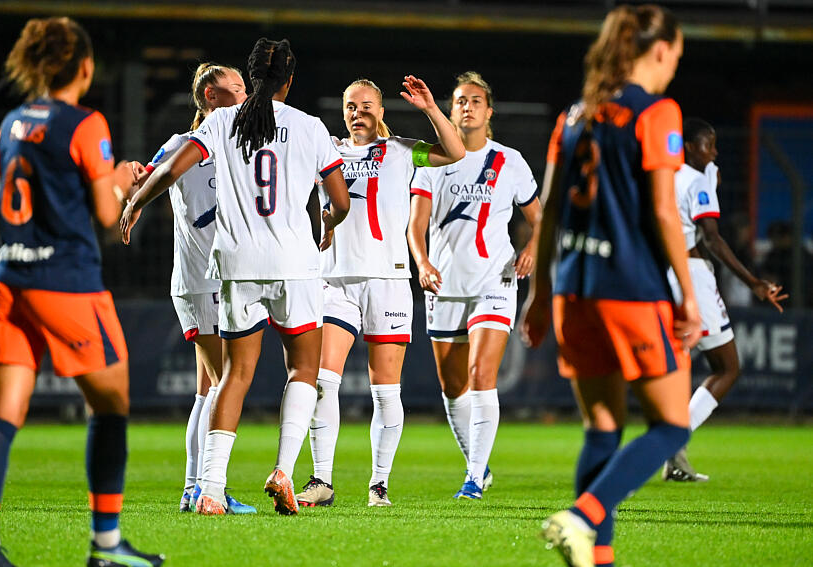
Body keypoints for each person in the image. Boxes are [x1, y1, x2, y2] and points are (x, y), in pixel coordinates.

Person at [120, 37, 350, 516]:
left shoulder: (222, 121)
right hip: (294, 264)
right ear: (289, 80)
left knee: (232, 376)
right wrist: (327, 221)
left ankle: (208, 488)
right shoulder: (309, 127)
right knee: (303, 370)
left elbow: (168, 169)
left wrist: (136, 201)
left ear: (253, 78)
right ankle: (284, 470)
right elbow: (340, 201)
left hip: (236, 264)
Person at [0, 17, 163, 567]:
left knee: (0, 411)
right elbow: (105, 214)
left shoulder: (10, 123)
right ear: (85, 66)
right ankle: (106, 546)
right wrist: (122, 178)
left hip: (6, 280)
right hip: (65, 283)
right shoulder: (85, 123)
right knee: (112, 404)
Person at [521, 5, 700, 567]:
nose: (674, 66)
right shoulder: (658, 112)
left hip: (573, 287)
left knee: (603, 426)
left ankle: (597, 558)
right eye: (676, 55)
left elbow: (548, 212)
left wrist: (539, 292)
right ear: (660, 50)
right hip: (630, 286)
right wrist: (689, 294)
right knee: (671, 425)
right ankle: (582, 515)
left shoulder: (574, 116)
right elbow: (666, 214)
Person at [295, 77, 465, 508]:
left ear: (382, 111)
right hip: (335, 280)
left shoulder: (402, 151)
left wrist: (430, 108)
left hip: (387, 283)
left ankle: (379, 484)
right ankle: (321, 481)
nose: (358, 113)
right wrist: (319, 225)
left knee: (385, 391)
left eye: (367, 106)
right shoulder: (325, 151)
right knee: (322, 383)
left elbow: (456, 152)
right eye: (351, 106)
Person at [123, 63, 255, 513]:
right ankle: (205, 488)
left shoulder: (239, 146)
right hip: (203, 281)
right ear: (210, 97)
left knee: (207, 388)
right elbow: (146, 175)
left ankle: (192, 487)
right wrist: (134, 183)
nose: (245, 93)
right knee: (223, 382)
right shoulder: (184, 145)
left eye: (246, 86)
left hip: (222, 280)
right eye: (235, 87)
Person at [407, 71, 540, 500]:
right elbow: (416, 226)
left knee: (481, 374)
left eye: (475, 100)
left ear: (489, 111)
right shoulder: (432, 161)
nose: (467, 106)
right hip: (444, 285)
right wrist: (423, 262)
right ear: (451, 109)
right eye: (460, 100)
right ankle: (477, 466)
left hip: (494, 280)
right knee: (452, 387)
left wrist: (532, 248)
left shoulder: (510, 161)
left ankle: (472, 479)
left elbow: (541, 220)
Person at [663, 118, 787, 482]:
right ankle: (671, 442)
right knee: (727, 367)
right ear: (688, 146)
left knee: (677, 366)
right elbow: (712, 238)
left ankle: (673, 458)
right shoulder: (696, 180)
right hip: (693, 276)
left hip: (664, 274)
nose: (714, 152)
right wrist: (754, 282)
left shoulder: (665, 175)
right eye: (707, 145)